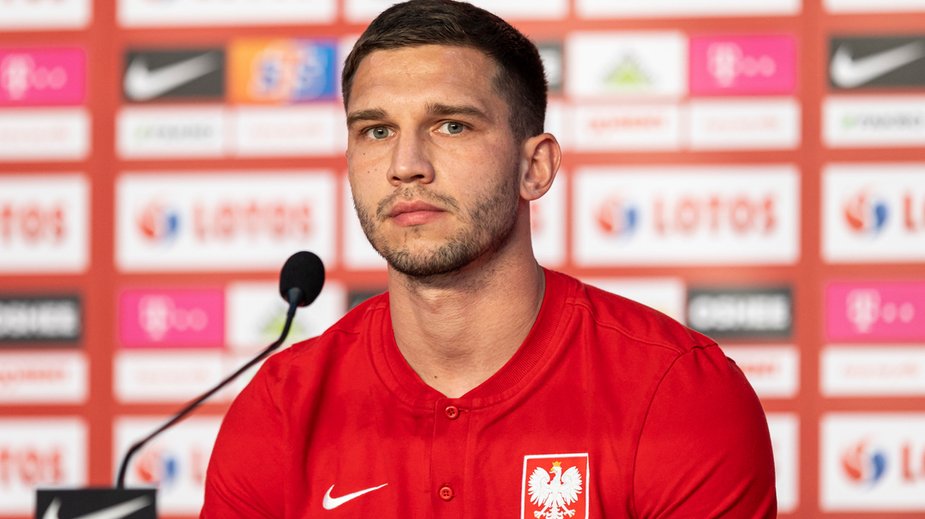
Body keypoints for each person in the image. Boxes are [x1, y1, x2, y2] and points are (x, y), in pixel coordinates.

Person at [201, 1, 777, 517]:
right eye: (376, 131)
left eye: (451, 126)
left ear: (535, 168)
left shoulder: (678, 393)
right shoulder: (280, 408)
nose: (406, 165)